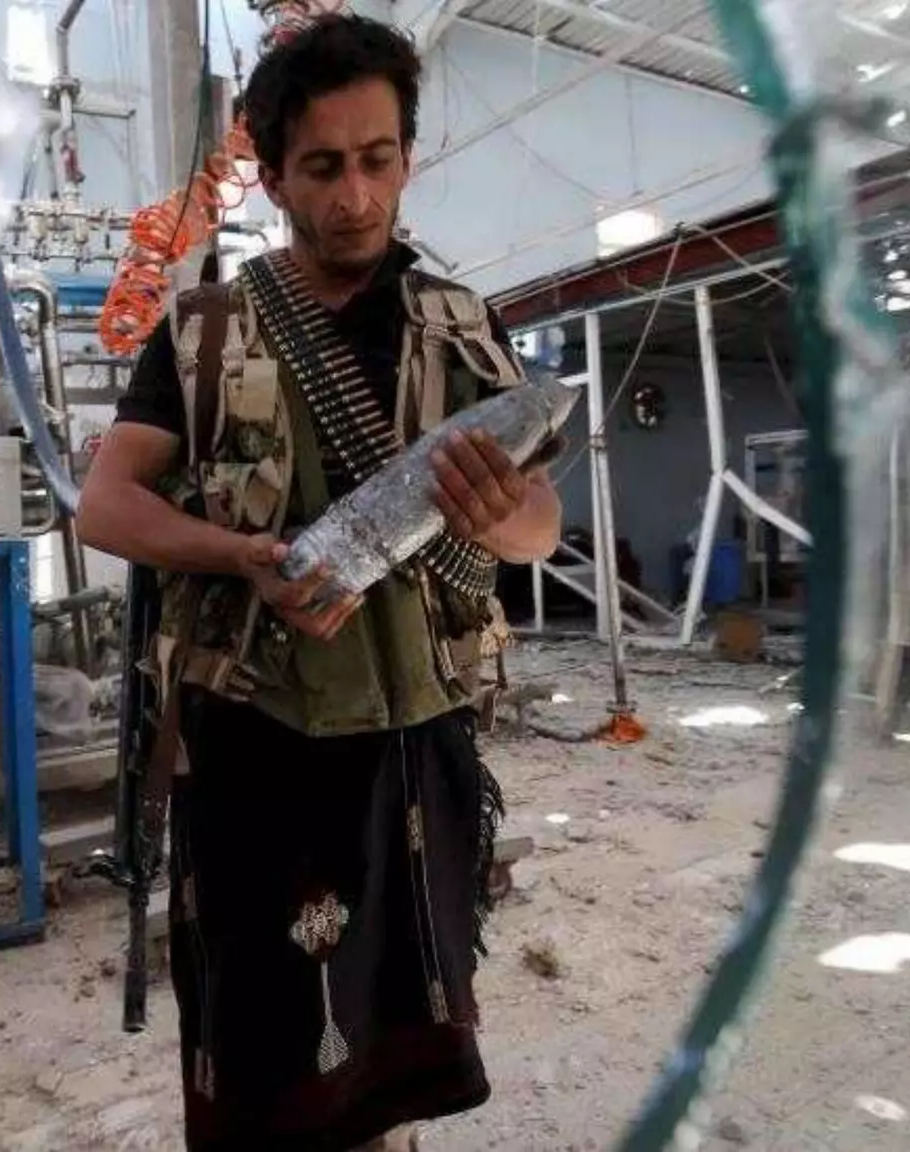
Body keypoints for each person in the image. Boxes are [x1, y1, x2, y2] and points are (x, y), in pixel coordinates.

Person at [76, 14, 562, 1151]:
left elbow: (538, 528)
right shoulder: (201, 334)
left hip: (413, 737)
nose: (354, 197)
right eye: (323, 168)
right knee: (262, 1043)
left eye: (378, 159)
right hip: (253, 743)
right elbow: (105, 506)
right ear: (273, 173)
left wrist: (505, 518)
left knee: (394, 1042)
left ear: (407, 151)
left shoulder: (460, 325)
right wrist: (245, 556)